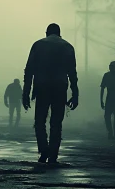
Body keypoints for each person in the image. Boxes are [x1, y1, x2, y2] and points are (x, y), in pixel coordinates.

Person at [23, 23, 78, 165]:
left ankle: (43, 149)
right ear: (60, 33)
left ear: (46, 32)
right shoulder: (67, 46)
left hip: (42, 86)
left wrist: (26, 92)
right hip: (60, 86)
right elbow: (72, 72)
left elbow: (29, 70)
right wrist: (75, 93)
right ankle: (53, 154)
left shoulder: (38, 45)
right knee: (56, 122)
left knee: (40, 121)